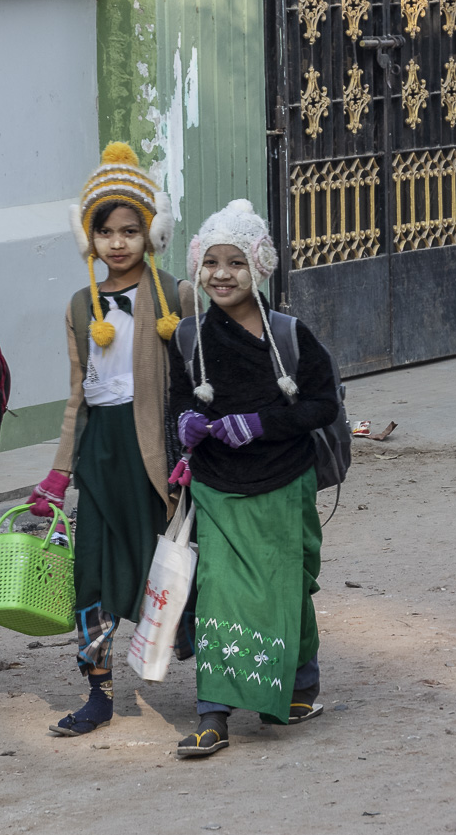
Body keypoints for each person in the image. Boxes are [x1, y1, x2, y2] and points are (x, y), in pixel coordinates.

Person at [27, 142, 196, 736]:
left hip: (155, 460)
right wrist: (59, 472)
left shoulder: (176, 295)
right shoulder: (80, 306)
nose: (117, 243)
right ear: (89, 238)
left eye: (130, 230)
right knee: (92, 573)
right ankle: (97, 690)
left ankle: (205, 674)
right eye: (105, 232)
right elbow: (78, 394)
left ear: (152, 233)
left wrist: (194, 453)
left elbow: (194, 385)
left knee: (169, 565)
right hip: (101, 456)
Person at [168, 199, 339, 758]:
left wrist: (260, 424)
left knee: (288, 586)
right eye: (211, 262)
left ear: (259, 266)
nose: (222, 275)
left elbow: (322, 405)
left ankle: (300, 683)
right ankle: (212, 714)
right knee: (218, 594)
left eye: (236, 263)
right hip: (217, 486)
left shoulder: (290, 335)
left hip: (284, 483)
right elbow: (178, 399)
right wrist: (186, 424)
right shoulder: (189, 337)